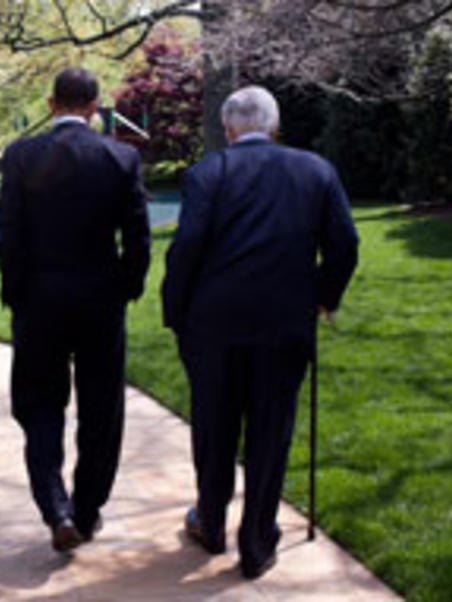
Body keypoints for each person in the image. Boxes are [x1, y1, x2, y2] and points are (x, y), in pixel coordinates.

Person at [160, 86, 359, 579]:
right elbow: (345, 245)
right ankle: (256, 542)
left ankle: (210, 522)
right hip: (283, 324)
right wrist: (321, 296)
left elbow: (186, 248)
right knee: (271, 431)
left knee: (214, 428)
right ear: (273, 126)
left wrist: (175, 311)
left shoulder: (208, 172)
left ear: (229, 129)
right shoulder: (316, 170)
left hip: (214, 326)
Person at [0, 67, 151, 553]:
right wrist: (126, 287)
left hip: (39, 301)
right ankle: (86, 511)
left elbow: (10, 234)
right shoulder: (120, 156)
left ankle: (55, 507)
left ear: (50, 103)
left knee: (40, 405)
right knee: (102, 409)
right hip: (100, 303)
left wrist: (15, 292)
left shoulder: (21, 156)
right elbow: (138, 237)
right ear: (93, 107)